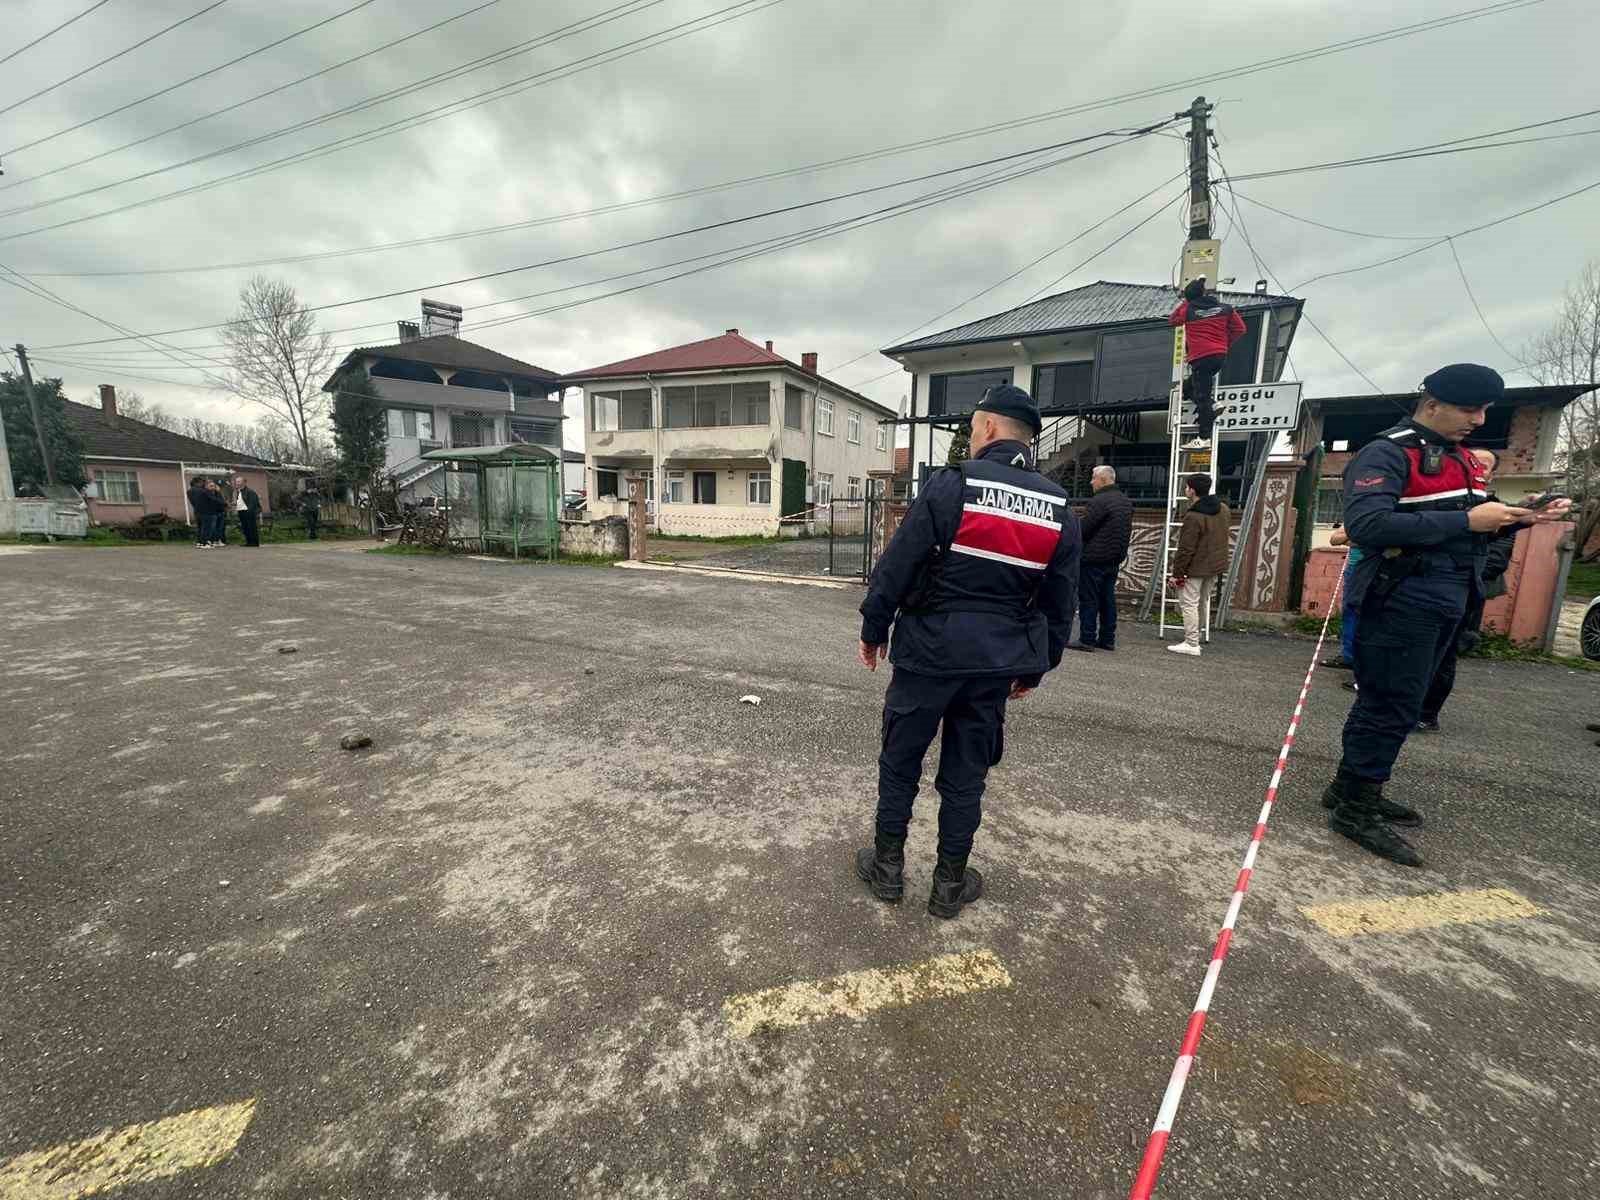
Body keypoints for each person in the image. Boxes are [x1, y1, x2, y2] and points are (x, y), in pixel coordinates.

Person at [1321, 365, 1570, 867]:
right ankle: (1353, 806)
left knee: (1399, 700)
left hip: (1447, 593)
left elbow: (1466, 529)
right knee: (1390, 702)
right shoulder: (1387, 452)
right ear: (1432, 404)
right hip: (1401, 595)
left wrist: (1516, 518)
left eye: (1484, 411)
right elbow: (1367, 524)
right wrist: (1466, 519)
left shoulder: (1458, 459)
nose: (1478, 421)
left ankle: (1350, 785)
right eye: (1469, 409)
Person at [855, 384, 1081, 919]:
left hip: (927, 655)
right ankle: (949, 884)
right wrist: (1039, 665)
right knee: (966, 775)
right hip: (994, 665)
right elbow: (1060, 600)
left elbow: (899, 563)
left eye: (974, 426)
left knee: (900, 760)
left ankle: (887, 870)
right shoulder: (1058, 507)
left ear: (989, 429)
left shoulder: (950, 486)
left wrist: (874, 626)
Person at [1416, 449, 1518, 732]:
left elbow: (1495, 560)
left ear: (1490, 475)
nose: (1474, 468)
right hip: (1421, 596)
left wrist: (1448, 572)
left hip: (1461, 596)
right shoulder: (1443, 506)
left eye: (1482, 466)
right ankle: (1402, 707)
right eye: (1468, 462)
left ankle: (1427, 713)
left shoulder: (1497, 511)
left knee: (1443, 656)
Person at [1168, 277, 1247, 450]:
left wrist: (1185, 303)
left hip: (1200, 357)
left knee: (1202, 398)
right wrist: (1224, 344)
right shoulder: (1226, 309)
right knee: (1188, 389)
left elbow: (1172, 320)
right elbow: (1240, 329)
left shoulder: (1188, 309)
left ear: (1189, 297)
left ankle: (1204, 438)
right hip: (1219, 356)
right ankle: (1213, 403)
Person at [1070, 464, 1134, 652]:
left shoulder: (1100, 501)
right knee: (1107, 598)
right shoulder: (1124, 501)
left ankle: (1087, 638)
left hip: (1093, 558)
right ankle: (1107, 639)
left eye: (1093, 478)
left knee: (1088, 599)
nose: (1091, 482)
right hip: (1114, 558)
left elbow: (1084, 529)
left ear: (1103, 480)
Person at [1166, 473, 1231, 657]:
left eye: (1187, 487)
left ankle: (1191, 642)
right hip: (1215, 564)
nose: (1185, 490)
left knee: (1189, 603)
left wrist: (1177, 574)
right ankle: (1197, 635)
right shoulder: (1223, 509)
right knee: (1202, 601)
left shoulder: (1193, 516)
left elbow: (1185, 548)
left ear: (1192, 490)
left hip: (1196, 566)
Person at [1321, 525, 1363, 672]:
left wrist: (1350, 538)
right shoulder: (1355, 520)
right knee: (1349, 612)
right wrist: (1355, 538)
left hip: (1371, 570)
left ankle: (1363, 660)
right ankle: (1348, 656)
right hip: (1353, 570)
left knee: (1368, 615)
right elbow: (1334, 539)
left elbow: (1374, 540)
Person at [234, 475, 262, 548]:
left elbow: (253, 503)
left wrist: (249, 511)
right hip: (241, 512)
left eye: (239, 481)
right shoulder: (239, 492)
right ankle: (249, 542)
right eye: (236, 481)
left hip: (248, 512)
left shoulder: (250, 491)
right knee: (245, 527)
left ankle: (254, 542)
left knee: (251, 527)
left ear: (244, 482)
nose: (237, 483)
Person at [186, 477, 211, 548]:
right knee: (205, 528)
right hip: (205, 511)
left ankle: (199, 542)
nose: (203, 483)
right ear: (197, 483)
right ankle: (204, 543)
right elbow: (209, 499)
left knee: (200, 527)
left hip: (196, 511)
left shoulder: (189, 491)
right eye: (201, 482)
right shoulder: (202, 490)